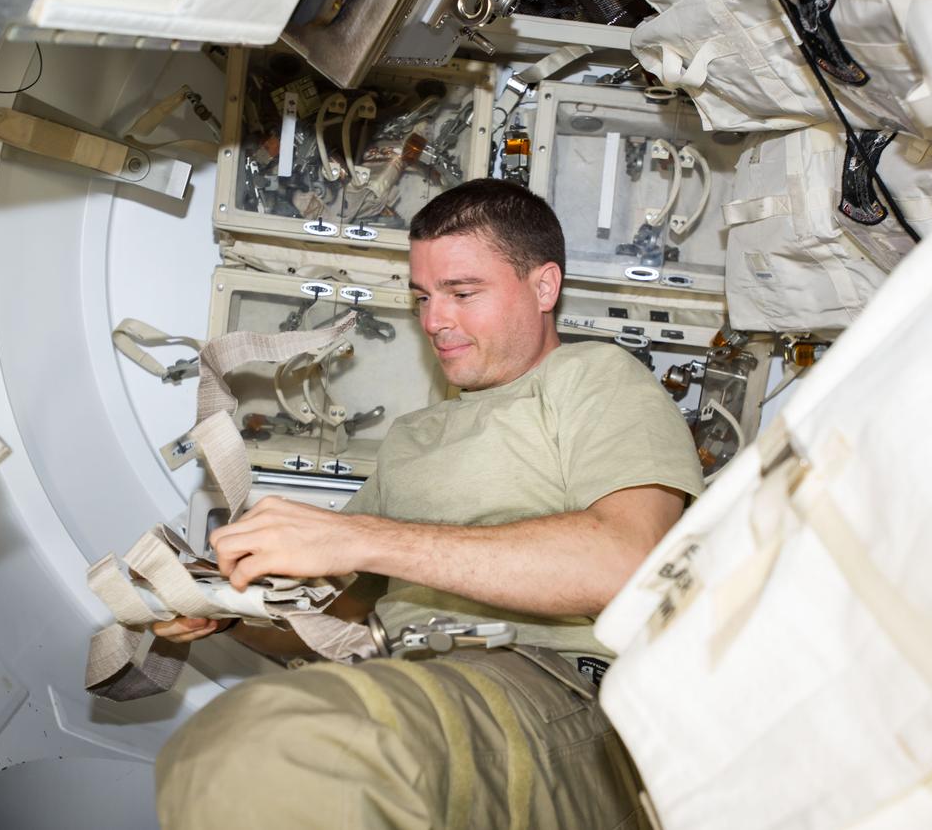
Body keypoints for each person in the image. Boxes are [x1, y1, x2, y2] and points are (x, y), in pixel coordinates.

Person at [153, 179, 704, 829]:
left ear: (544, 286)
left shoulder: (596, 380)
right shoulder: (412, 436)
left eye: (462, 293)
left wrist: (360, 538)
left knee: (264, 748)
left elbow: (627, 562)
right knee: (213, 762)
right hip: (418, 678)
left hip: (559, 687)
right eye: (422, 298)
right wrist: (228, 611)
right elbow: (346, 608)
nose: (434, 320)